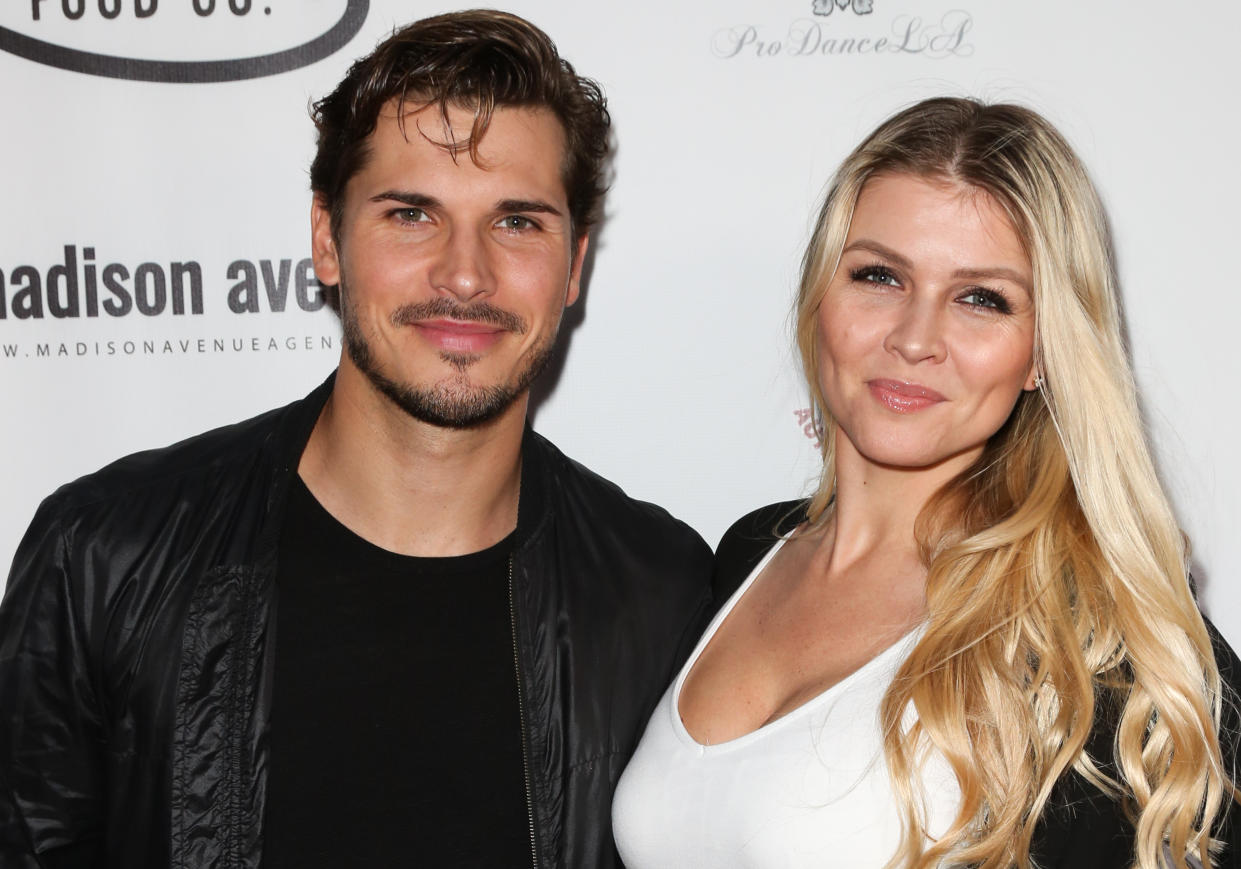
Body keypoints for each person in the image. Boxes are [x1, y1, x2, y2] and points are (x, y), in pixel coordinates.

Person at [0, 10, 713, 869]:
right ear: (324, 241)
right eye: (412, 213)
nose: (463, 273)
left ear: (576, 264)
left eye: (517, 221)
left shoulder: (659, 592)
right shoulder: (105, 554)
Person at [613, 97, 1241, 869]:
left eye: (982, 298)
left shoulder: (1100, 631)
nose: (913, 339)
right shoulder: (745, 554)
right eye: (878, 276)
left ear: (1044, 350)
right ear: (820, 299)